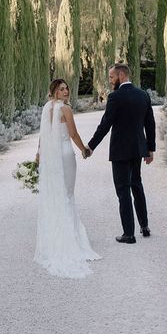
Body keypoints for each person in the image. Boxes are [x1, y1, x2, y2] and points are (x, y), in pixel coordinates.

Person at [34, 79, 101, 278]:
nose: (66, 92)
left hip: (51, 158)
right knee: (68, 195)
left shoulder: (47, 108)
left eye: (66, 89)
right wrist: (85, 149)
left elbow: (42, 136)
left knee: (57, 194)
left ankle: (56, 237)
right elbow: (73, 133)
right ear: (54, 91)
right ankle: (70, 239)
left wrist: (38, 154)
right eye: (61, 89)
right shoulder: (66, 109)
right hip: (64, 155)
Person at [85, 63, 156, 244]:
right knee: (137, 185)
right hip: (138, 150)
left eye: (111, 77)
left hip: (120, 151)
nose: (110, 81)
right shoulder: (143, 95)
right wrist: (150, 149)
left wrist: (91, 146)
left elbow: (105, 125)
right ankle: (144, 226)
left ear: (122, 75)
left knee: (123, 190)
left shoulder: (115, 97)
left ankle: (129, 234)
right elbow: (150, 124)